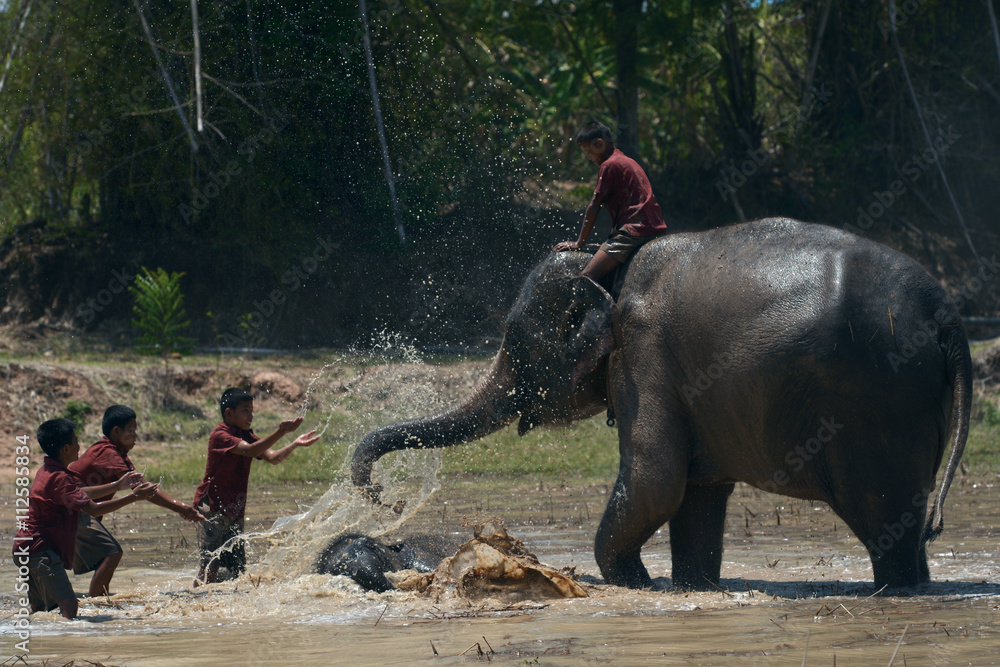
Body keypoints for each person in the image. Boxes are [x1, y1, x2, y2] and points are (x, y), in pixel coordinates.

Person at [13, 418, 157, 619]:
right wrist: (134, 497)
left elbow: (80, 492)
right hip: (40, 551)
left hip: (25, 547)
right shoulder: (60, 477)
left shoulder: (48, 471)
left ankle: (44, 647)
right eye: (75, 441)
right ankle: (71, 648)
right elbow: (93, 508)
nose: (79, 446)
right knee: (70, 607)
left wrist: (117, 486)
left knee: (40, 611)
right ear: (65, 449)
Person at [69, 405, 206, 598]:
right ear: (116, 431)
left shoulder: (115, 453)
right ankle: (96, 604)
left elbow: (142, 485)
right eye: (131, 431)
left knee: (100, 557)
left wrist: (181, 508)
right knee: (112, 553)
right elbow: (143, 490)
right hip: (72, 510)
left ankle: (89, 601)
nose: (135, 436)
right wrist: (181, 508)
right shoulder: (108, 452)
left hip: (79, 511)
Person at [193, 387, 320, 585]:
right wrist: (280, 431)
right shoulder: (220, 435)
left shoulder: (246, 434)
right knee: (210, 564)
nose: (251, 416)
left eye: (252, 410)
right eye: (246, 410)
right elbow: (252, 451)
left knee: (237, 566)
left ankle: (220, 604)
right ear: (229, 413)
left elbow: (273, 457)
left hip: (233, 509)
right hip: (213, 507)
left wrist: (294, 443)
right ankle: (196, 598)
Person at [553, 121, 668, 284]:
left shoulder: (608, 165)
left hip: (634, 231)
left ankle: (605, 310)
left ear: (599, 144)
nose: (589, 157)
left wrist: (579, 243)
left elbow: (594, 207)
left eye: (588, 152)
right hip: (655, 226)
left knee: (587, 278)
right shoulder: (626, 160)